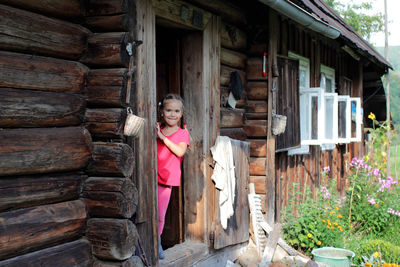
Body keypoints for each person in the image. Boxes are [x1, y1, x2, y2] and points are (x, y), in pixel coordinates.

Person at [156, 93, 190, 259]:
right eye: (168, 110)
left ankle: (156, 241)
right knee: (145, 211)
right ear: (162, 111)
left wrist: (163, 139)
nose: (172, 114)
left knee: (160, 214)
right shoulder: (158, 129)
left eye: (176, 111)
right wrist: (158, 134)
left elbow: (180, 151)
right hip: (151, 176)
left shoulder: (182, 133)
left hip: (165, 179)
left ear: (181, 113)